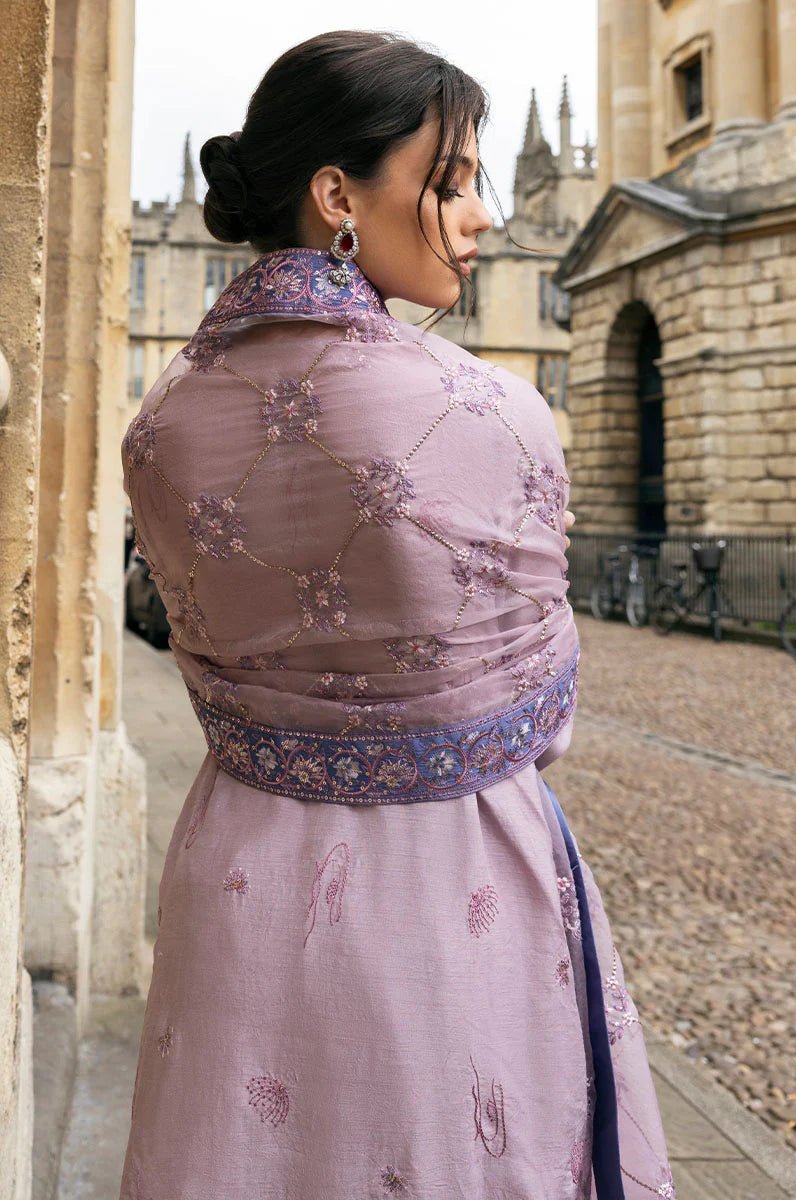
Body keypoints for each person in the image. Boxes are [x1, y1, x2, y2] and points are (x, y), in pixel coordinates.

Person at [119, 29, 674, 1200]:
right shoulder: (491, 410)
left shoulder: (157, 421)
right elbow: (539, 708)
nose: (482, 217)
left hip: (234, 872)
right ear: (336, 196)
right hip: (443, 885)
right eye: (452, 180)